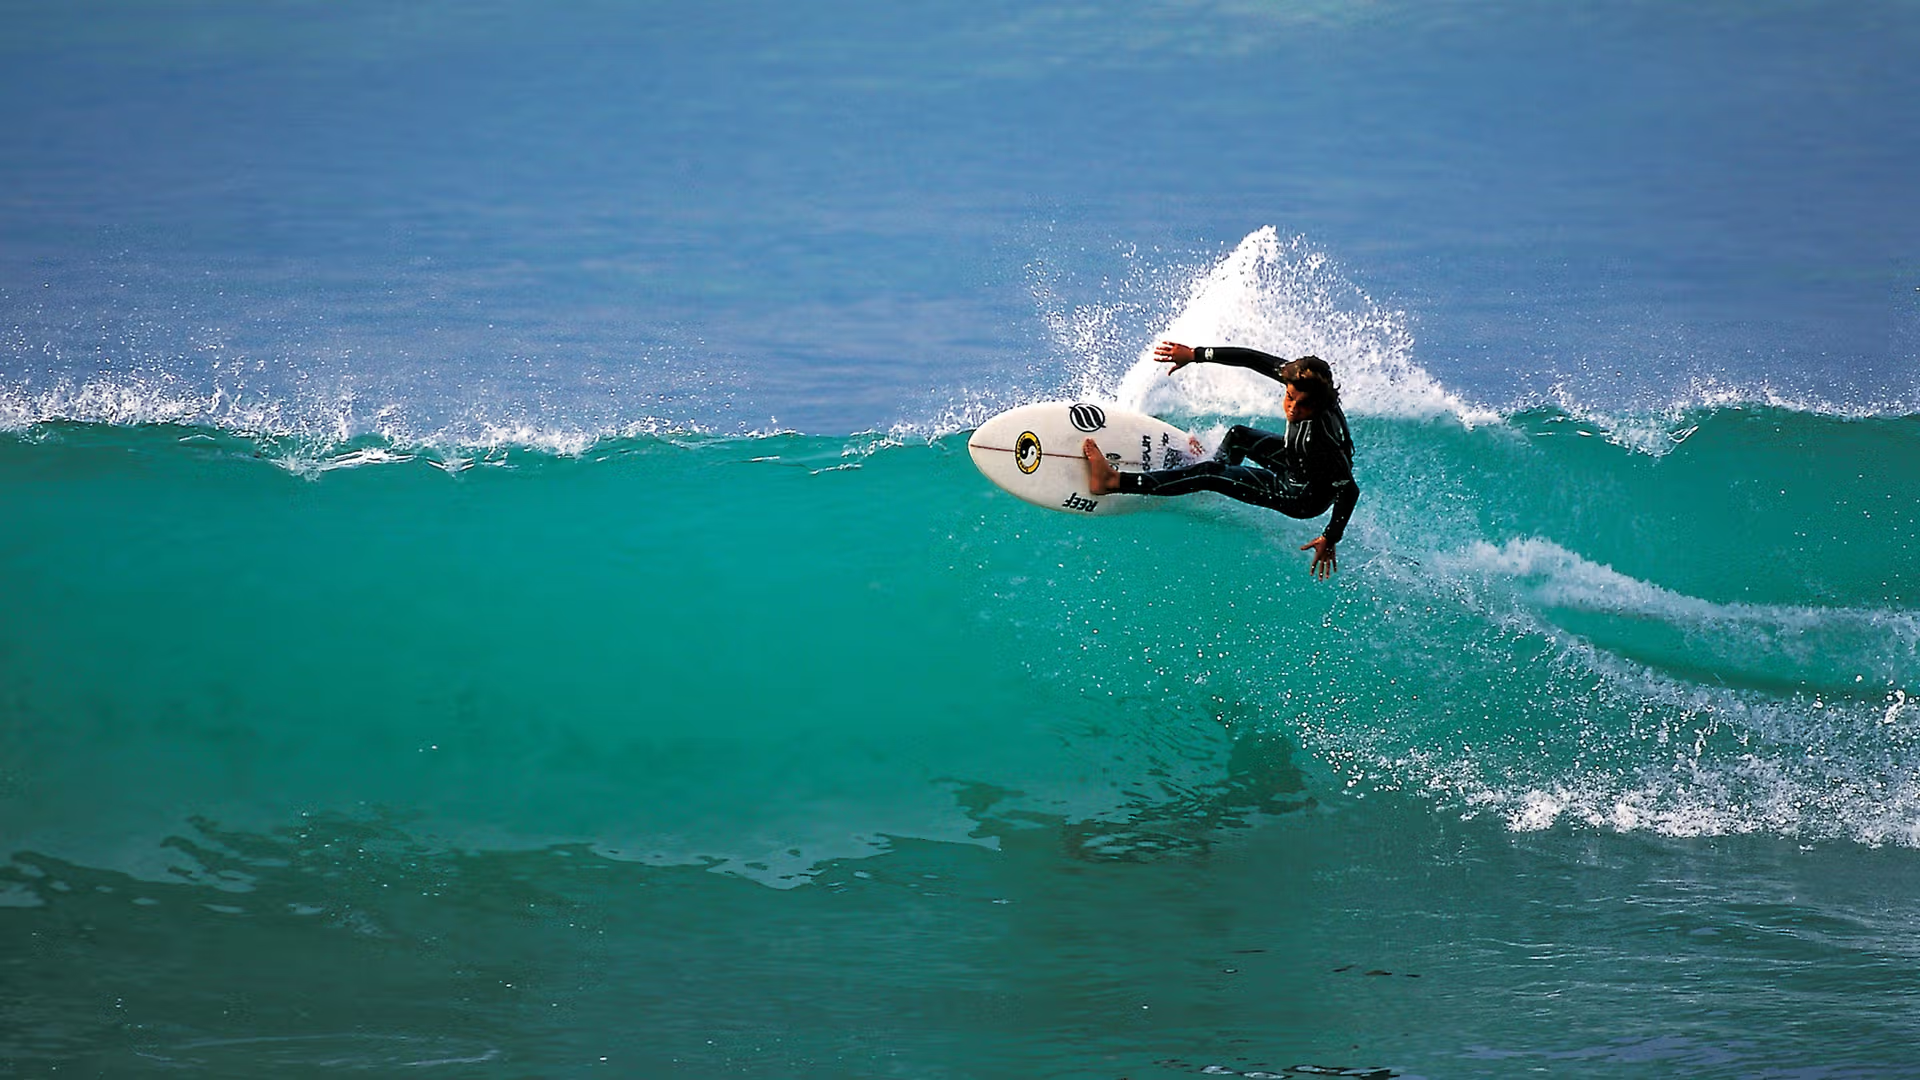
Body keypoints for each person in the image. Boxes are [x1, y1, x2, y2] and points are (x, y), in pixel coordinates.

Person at [1082, 341, 1359, 579]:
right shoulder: (1302, 380)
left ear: (1319, 403)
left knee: (1209, 473)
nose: (1292, 409)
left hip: (1299, 495)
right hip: (1296, 461)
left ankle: (1112, 481)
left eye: (1303, 405)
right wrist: (1194, 354)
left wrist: (1330, 537)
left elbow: (1348, 490)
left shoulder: (1321, 441)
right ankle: (1211, 473)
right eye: (1289, 398)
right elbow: (1252, 359)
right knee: (1237, 435)